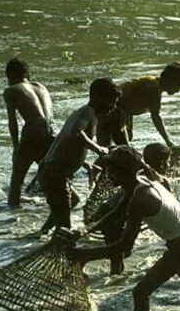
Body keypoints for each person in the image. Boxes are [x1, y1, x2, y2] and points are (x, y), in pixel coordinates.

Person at [73, 146, 180, 311]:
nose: (108, 176)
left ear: (124, 172)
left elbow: (125, 246)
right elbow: (116, 213)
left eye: (112, 171)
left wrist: (84, 255)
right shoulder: (142, 183)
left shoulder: (141, 199)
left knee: (140, 293)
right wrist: (86, 232)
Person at [38, 77, 121, 234]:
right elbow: (76, 133)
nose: (113, 106)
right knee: (65, 228)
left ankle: (41, 233)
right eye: (111, 101)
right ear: (97, 98)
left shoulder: (82, 112)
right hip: (56, 174)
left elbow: (66, 143)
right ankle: (60, 247)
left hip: (51, 170)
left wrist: (86, 164)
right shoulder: (87, 112)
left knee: (72, 201)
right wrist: (99, 150)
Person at [96, 143, 174, 276]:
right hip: (111, 214)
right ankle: (114, 279)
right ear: (162, 163)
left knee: (123, 251)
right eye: (167, 162)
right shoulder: (148, 181)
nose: (169, 166)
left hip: (111, 212)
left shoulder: (141, 178)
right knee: (119, 254)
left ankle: (112, 277)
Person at [96, 62, 180, 153]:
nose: (178, 91)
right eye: (179, 86)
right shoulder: (153, 89)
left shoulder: (153, 83)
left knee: (118, 145)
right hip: (113, 113)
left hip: (120, 112)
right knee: (123, 149)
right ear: (172, 81)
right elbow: (156, 117)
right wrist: (169, 142)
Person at [3, 58, 56, 207]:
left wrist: (16, 148)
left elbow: (12, 122)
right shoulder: (41, 87)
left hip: (34, 129)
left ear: (9, 76)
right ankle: (72, 200)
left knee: (16, 182)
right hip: (52, 129)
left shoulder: (11, 90)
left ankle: (11, 221)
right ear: (28, 74)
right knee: (52, 174)